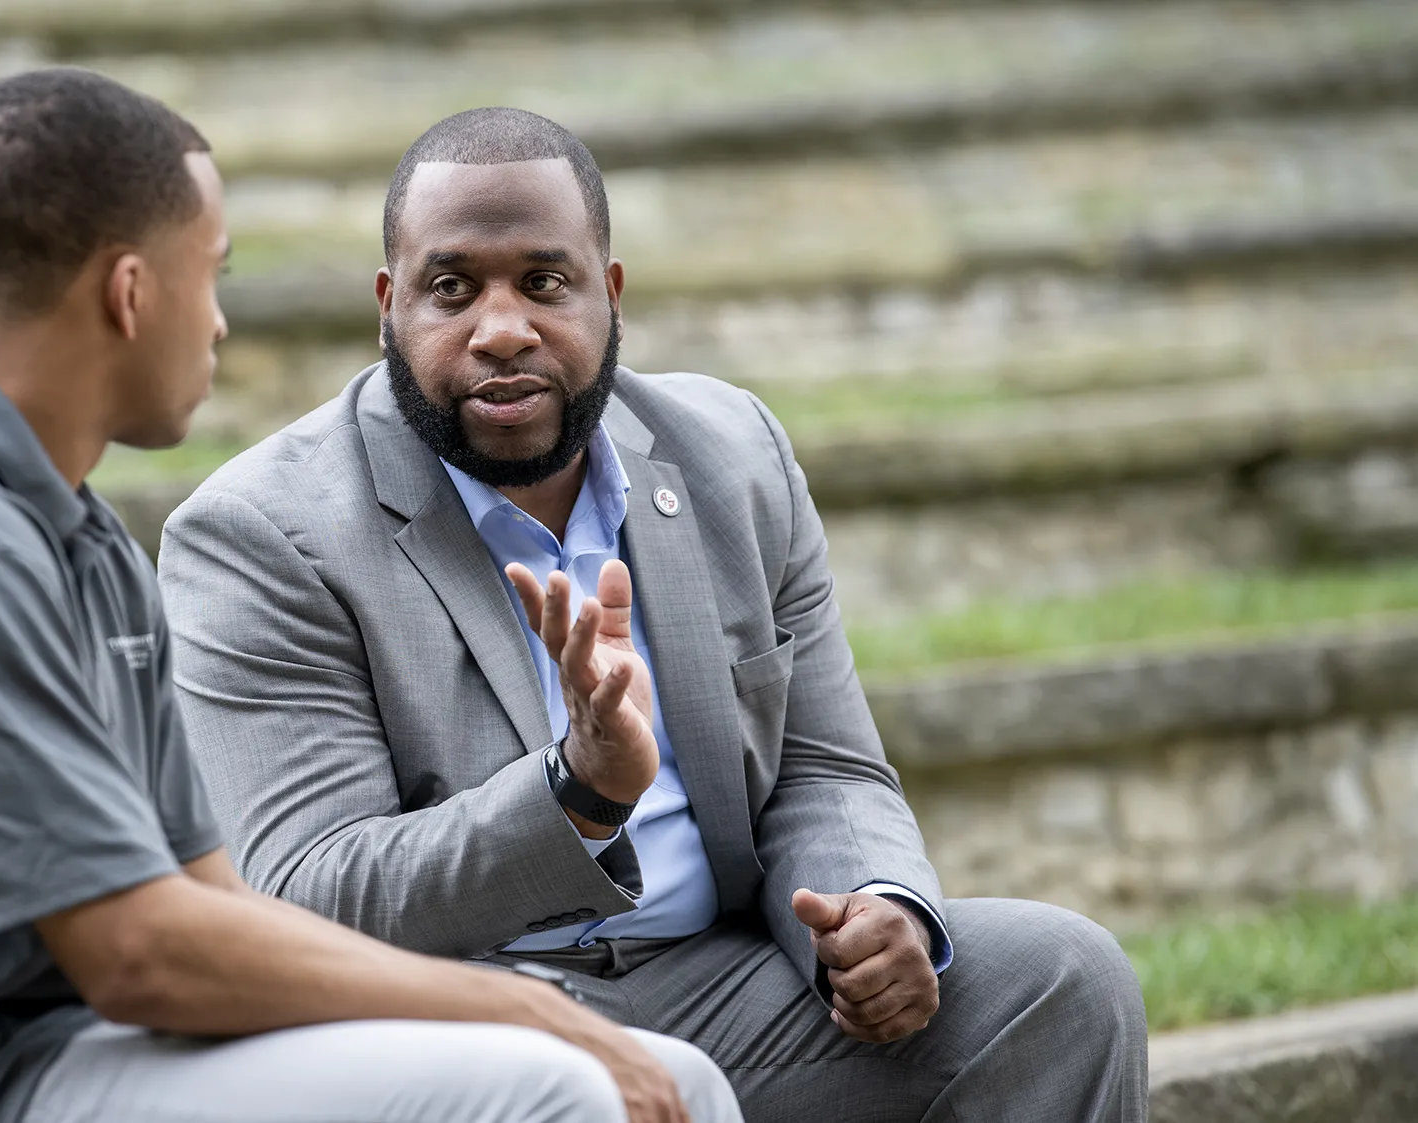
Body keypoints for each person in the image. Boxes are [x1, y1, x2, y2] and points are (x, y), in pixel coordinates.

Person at [0, 72, 742, 1123]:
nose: (221, 325)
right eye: (210, 276)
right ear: (129, 293)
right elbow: (138, 955)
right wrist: (518, 1008)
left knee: (669, 1077)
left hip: (60, 1055)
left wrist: (523, 1014)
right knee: (557, 1088)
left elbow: (210, 901)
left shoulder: (73, 533)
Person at [157, 107, 1150, 1120]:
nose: (501, 329)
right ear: (387, 305)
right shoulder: (264, 532)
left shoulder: (732, 454)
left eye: (543, 282)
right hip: (455, 1018)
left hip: (716, 982)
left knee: (1061, 982)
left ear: (610, 293)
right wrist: (576, 797)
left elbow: (821, 765)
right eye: (450, 288)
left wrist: (870, 904)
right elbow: (311, 894)